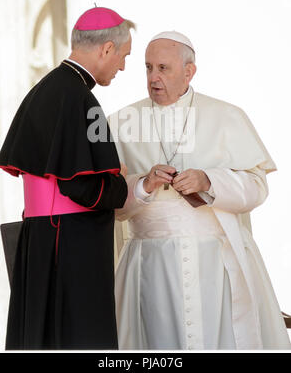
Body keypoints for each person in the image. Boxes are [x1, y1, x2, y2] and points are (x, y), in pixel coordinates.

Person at [108, 30, 291, 350]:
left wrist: (209, 181)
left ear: (189, 71)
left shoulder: (227, 116)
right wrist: (144, 185)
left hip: (216, 263)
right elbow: (110, 204)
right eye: (148, 68)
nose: (153, 77)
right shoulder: (120, 122)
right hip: (149, 264)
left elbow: (257, 187)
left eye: (163, 68)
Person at [0, 6, 135, 350]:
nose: (122, 67)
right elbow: (83, 186)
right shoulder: (80, 99)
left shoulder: (46, 89)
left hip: (44, 238)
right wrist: (125, 185)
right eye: (123, 56)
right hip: (73, 245)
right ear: (106, 48)